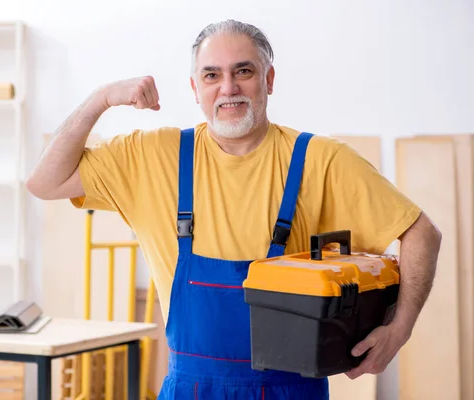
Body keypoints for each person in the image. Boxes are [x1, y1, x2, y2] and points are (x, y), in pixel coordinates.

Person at [26, 19, 442, 400]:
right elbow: (44, 182)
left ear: (269, 79)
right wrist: (102, 98)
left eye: (243, 71)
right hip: (190, 389)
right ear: (195, 88)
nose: (228, 88)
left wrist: (399, 329)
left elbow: (421, 232)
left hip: (289, 390)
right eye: (212, 75)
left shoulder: (321, 159)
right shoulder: (151, 157)